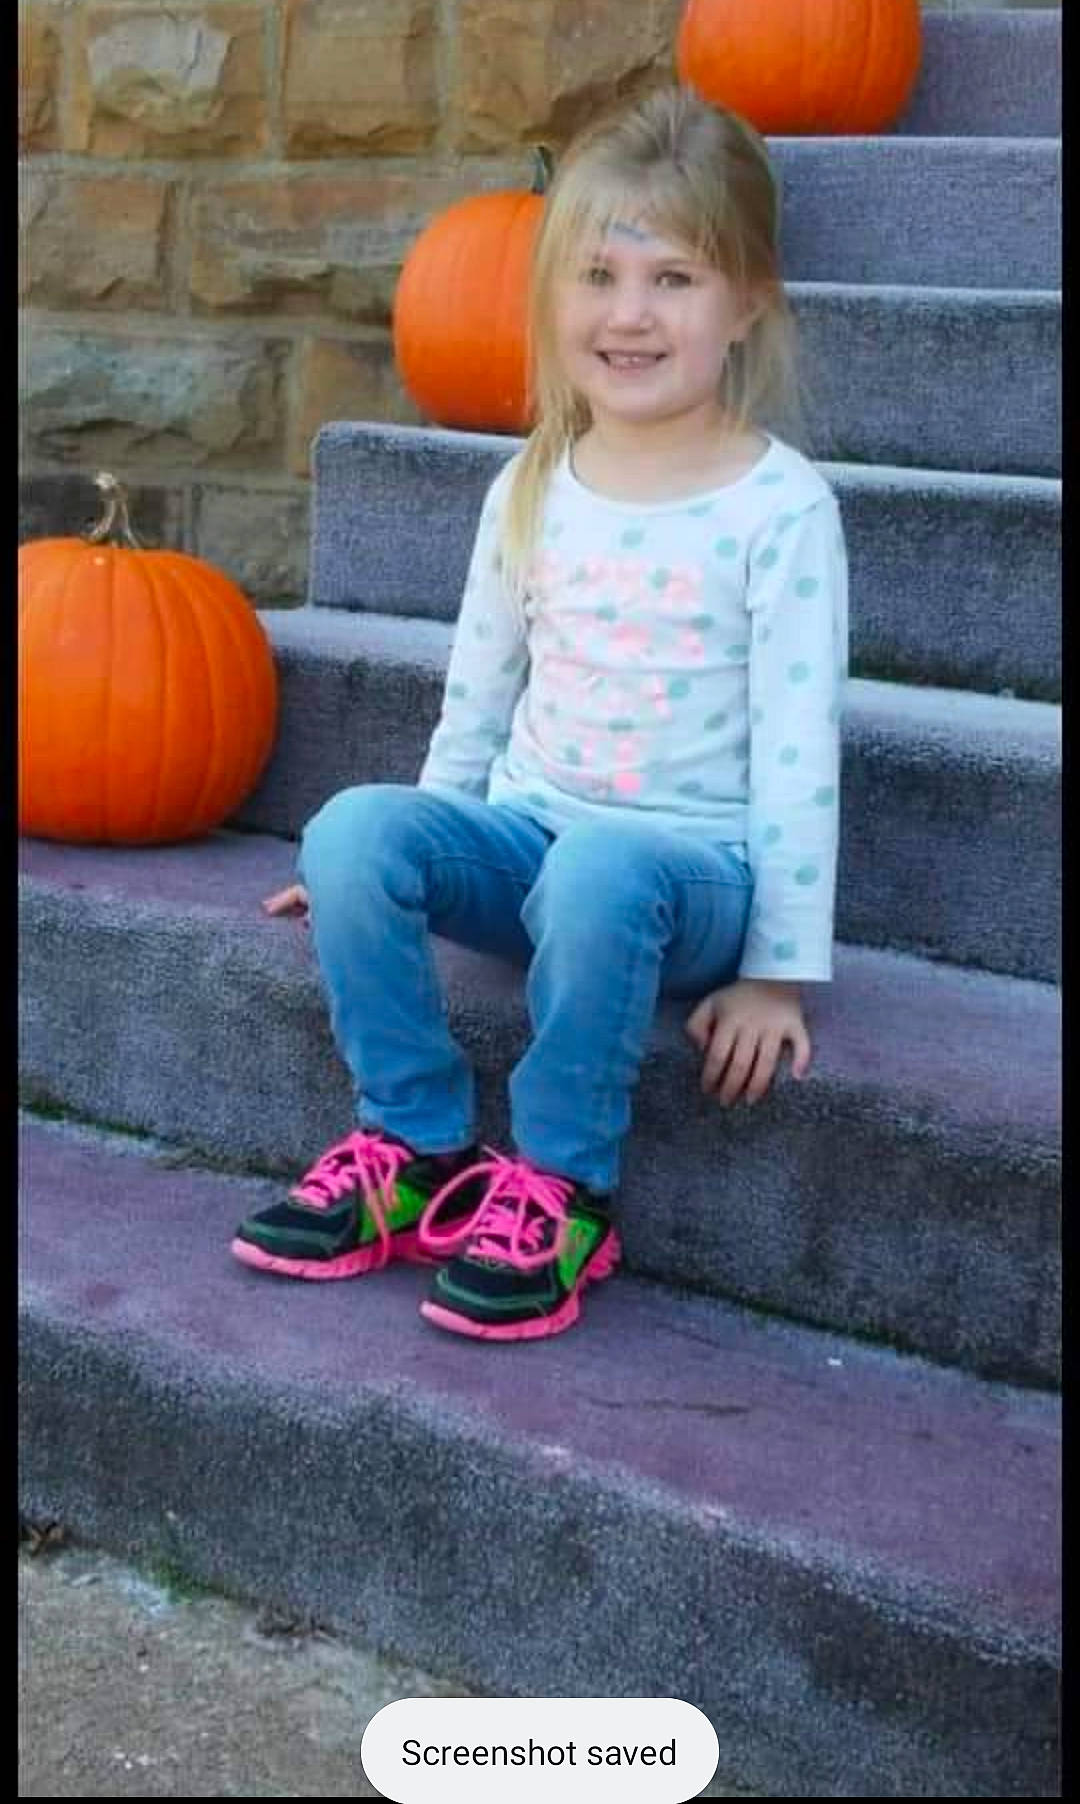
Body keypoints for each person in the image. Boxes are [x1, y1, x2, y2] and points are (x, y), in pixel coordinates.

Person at [231, 83, 849, 1342]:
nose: (630, 313)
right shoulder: (532, 483)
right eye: (599, 275)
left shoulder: (780, 510)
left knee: (608, 868)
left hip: (690, 877)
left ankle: (565, 1185)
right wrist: (399, 856)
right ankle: (413, 1143)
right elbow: (479, 695)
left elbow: (798, 756)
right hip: (530, 846)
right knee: (351, 829)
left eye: (674, 279)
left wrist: (780, 973)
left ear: (747, 305)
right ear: (552, 294)